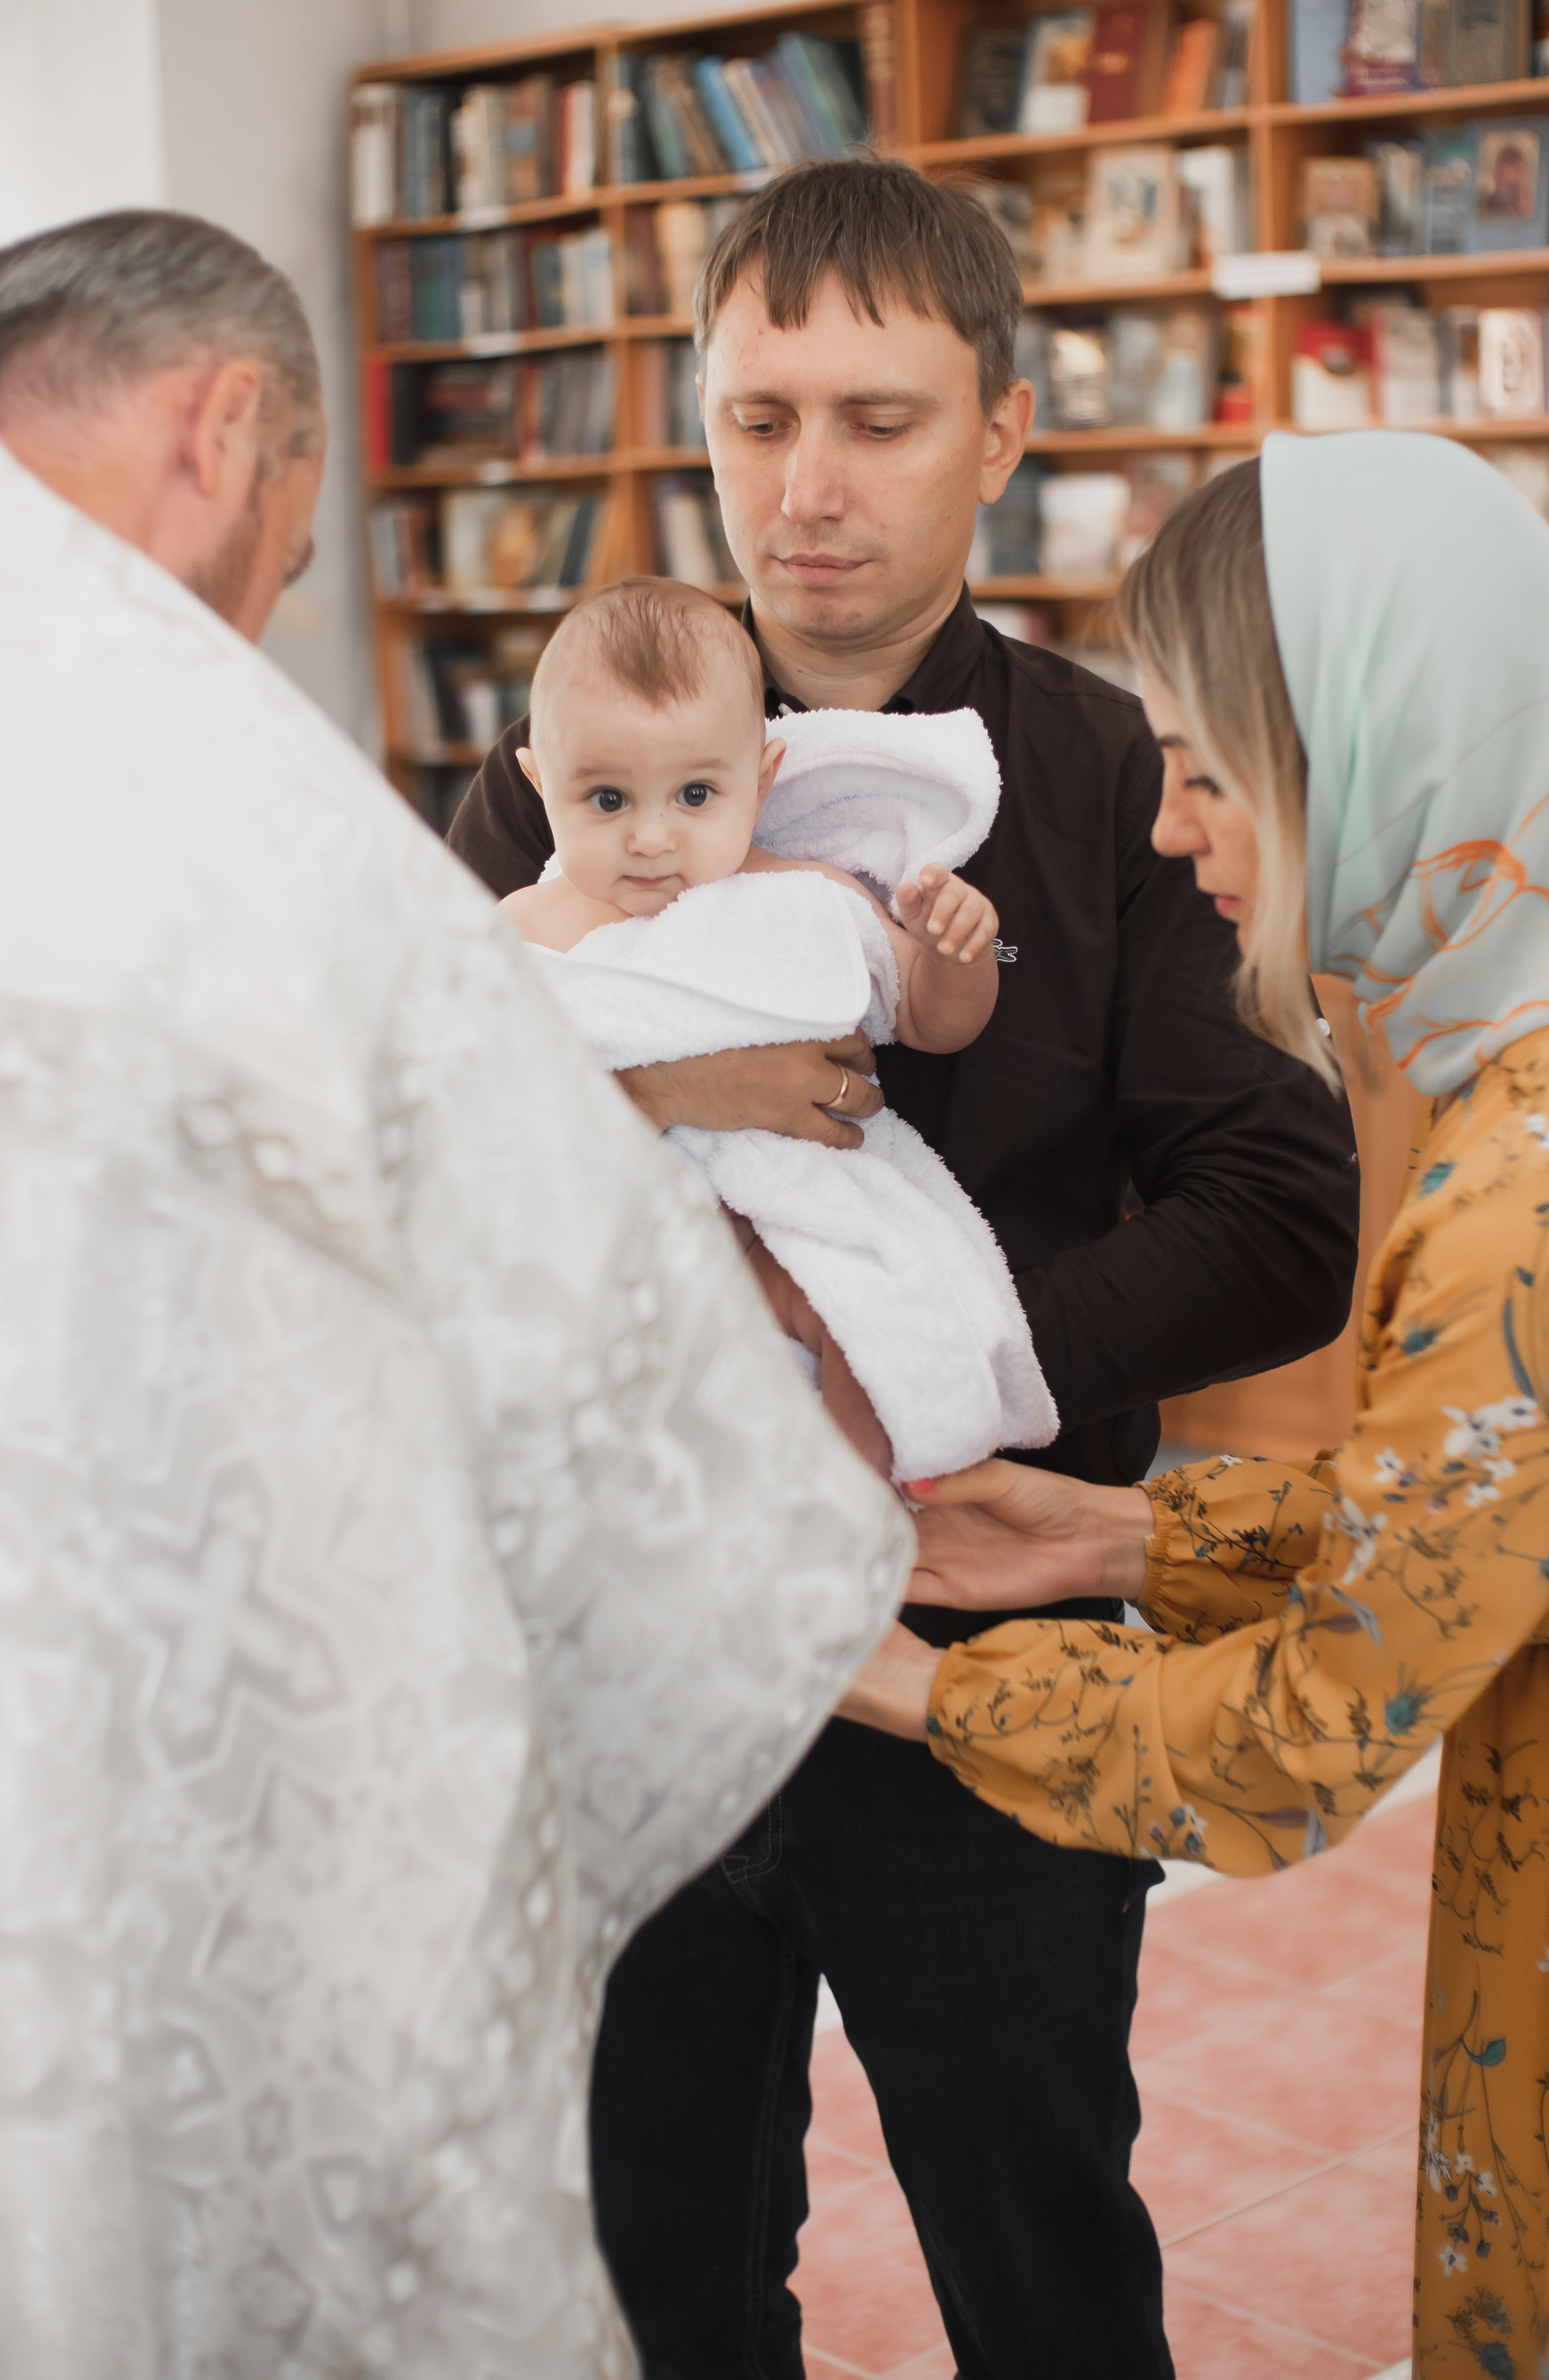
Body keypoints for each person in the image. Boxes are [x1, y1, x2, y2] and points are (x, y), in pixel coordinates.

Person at [0, 208, 908, 2376]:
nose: (269, 602)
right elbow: (610, 1406)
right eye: (290, 543)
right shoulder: (205, 785)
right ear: (225, 430)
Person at [448, 157, 1362, 2379]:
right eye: (760, 421)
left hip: (993, 1647)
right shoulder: (565, 770)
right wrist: (680, 1107)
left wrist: (925, 1383)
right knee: (655, 2255)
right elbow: (416, 1164)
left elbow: (1283, 1217)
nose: (810, 489)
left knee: (1036, 2249)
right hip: (639, 1667)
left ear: (1008, 432)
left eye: (878, 418)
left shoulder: (1113, 780)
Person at [844, 434, 1549, 2379]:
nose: (1170, 831)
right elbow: (1478, 1534)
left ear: (1388, 751)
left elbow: (1305, 1740)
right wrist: (1117, 1527)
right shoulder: (1507, 1085)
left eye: (1218, 770)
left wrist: (886, 1675)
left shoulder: (1519, 1198)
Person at [501, 573, 1047, 1484]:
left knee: (871, 1327)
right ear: (539, 784)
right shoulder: (518, 928)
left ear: (760, 779)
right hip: (616, 1248)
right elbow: (474, 1105)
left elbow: (929, 1022)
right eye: (606, 801)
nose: (650, 839)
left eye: (695, 796)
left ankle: (856, 1529)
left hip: (790, 1230)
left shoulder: (805, 900)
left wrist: (956, 957)